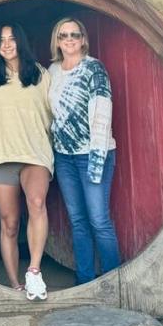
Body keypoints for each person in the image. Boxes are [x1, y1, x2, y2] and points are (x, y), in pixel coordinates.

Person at [0, 23, 53, 301]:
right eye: (1, 40)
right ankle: (14, 282)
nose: (7, 44)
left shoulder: (40, 74)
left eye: (12, 39)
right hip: (1, 155)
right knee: (9, 223)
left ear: (21, 42)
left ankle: (33, 270)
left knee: (37, 204)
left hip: (35, 153)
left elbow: (51, 115)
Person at [47, 17, 121, 285]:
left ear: (83, 39)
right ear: (57, 40)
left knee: (99, 220)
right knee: (77, 221)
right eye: (63, 35)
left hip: (92, 153)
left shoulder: (94, 69)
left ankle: (115, 283)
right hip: (64, 156)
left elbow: (102, 114)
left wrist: (97, 160)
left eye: (74, 35)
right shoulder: (52, 71)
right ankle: (85, 280)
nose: (69, 39)